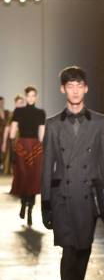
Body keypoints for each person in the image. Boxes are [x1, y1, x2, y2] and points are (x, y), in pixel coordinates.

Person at [41, 66, 104, 280]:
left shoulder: (99, 122)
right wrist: (46, 202)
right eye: (69, 85)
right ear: (63, 89)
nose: (74, 90)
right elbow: (47, 164)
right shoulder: (52, 124)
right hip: (62, 197)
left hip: (87, 197)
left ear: (85, 88)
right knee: (69, 251)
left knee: (83, 250)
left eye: (79, 85)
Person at [9, 86, 45, 225]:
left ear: (36, 97)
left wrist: (13, 142)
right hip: (27, 145)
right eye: (29, 95)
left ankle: (28, 207)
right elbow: (13, 129)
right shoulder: (21, 111)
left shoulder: (37, 112)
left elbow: (41, 131)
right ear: (26, 96)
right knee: (27, 176)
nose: (31, 98)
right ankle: (25, 204)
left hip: (30, 145)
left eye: (33, 95)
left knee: (30, 177)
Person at [1, 95, 25, 176]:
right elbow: (7, 129)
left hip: (23, 138)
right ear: (15, 104)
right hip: (13, 139)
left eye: (21, 103)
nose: (20, 105)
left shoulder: (25, 114)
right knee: (12, 157)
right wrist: (4, 143)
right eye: (18, 103)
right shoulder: (12, 114)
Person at [0, 96, 10, 173]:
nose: (1, 104)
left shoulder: (7, 112)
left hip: (6, 136)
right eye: (0, 102)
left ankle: (5, 170)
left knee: (6, 152)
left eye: (2, 102)